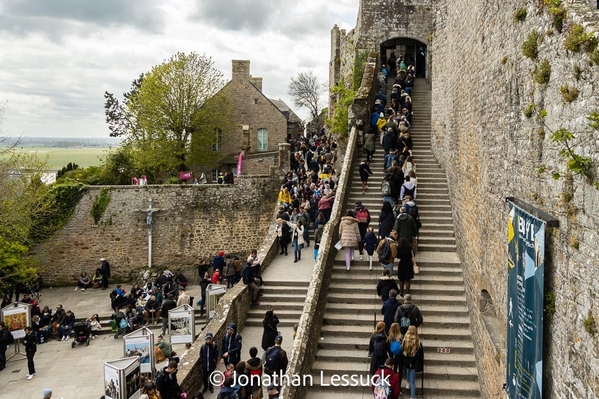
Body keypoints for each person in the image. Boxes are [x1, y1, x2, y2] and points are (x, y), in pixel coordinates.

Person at [400, 326, 424, 399]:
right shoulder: (418, 343)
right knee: (413, 381)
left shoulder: (404, 341)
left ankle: (407, 382)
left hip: (406, 361)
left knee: (407, 370)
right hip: (414, 363)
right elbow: (421, 355)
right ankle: (412, 397)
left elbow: (402, 351)